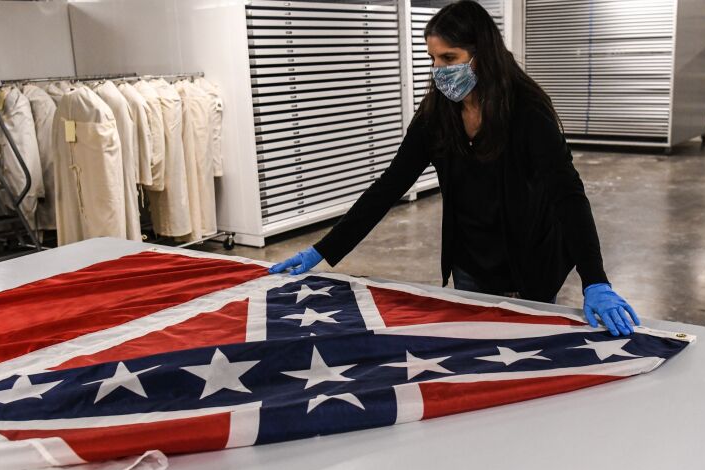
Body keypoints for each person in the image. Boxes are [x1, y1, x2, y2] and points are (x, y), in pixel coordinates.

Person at [269, 0, 640, 337]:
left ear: (482, 55)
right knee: (475, 343)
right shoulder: (437, 115)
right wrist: (324, 250)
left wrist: (595, 280)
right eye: (433, 59)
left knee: (526, 345)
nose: (438, 70)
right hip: (471, 259)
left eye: (449, 58)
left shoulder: (527, 113)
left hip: (528, 257)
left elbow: (568, 196)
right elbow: (390, 185)